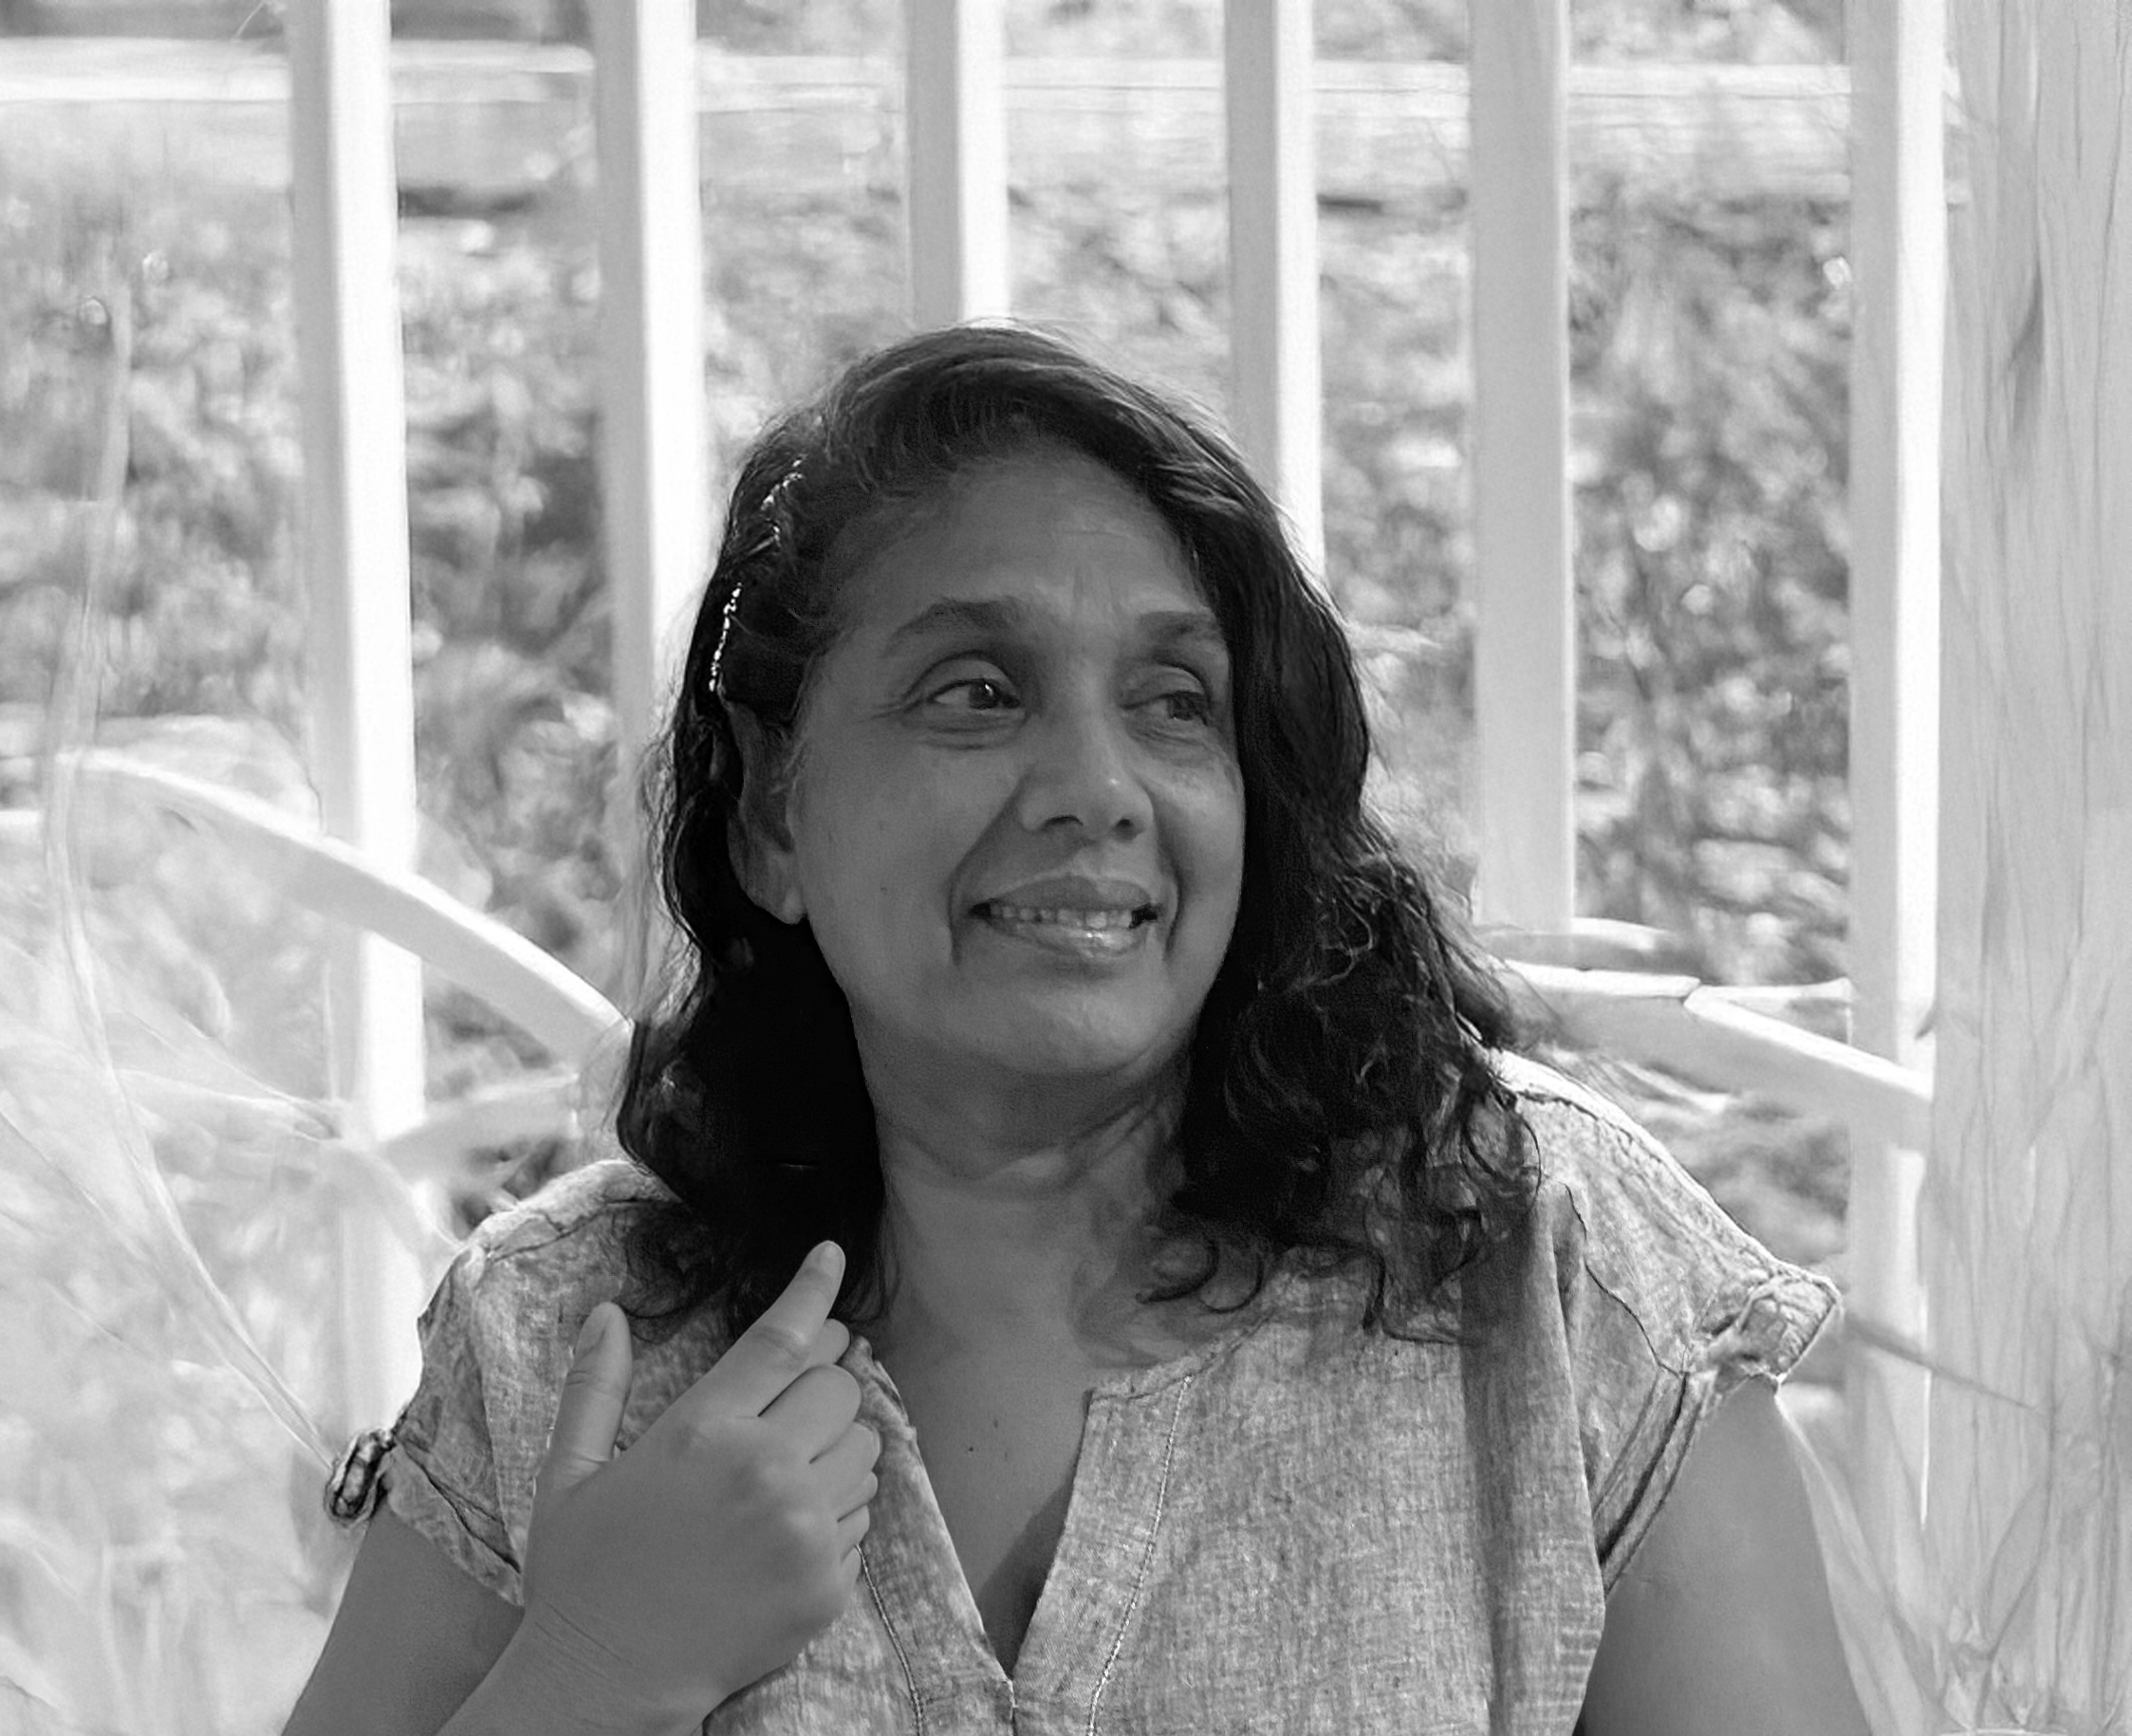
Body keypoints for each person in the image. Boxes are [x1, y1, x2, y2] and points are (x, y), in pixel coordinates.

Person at [283, 323, 1870, 1735]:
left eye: (1178, 702)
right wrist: (595, 1670)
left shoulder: (1549, 1271)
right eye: (976, 692)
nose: (1097, 787)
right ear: (774, 807)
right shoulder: (573, 1337)